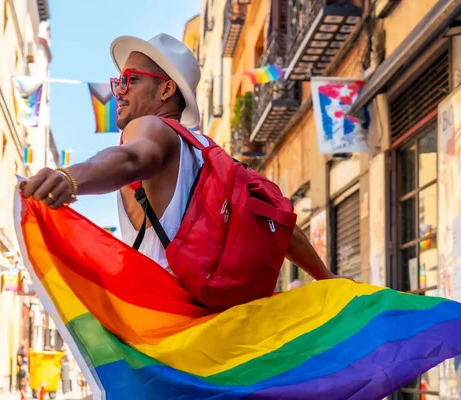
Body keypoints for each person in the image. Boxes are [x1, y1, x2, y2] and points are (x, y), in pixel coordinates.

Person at [20, 33, 341, 287]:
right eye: (118, 80)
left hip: (169, 334)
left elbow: (131, 157)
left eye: (130, 79)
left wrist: (70, 177)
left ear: (166, 90)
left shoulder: (149, 128)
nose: (117, 91)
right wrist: (328, 280)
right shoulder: (209, 153)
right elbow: (281, 225)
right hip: (227, 331)